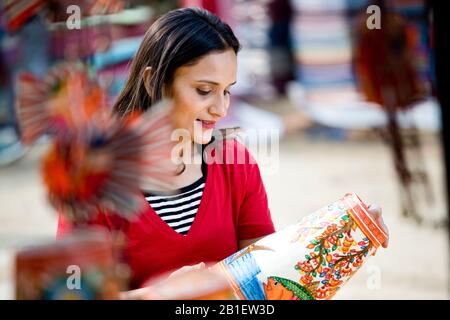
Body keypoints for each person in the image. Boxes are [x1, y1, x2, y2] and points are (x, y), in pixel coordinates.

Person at [57, 7, 389, 291]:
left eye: (227, 91)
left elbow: (268, 279)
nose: (220, 109)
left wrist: (342, 234)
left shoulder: (235, 163)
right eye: (204, 90)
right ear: (152, 81)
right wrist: (165, 294)